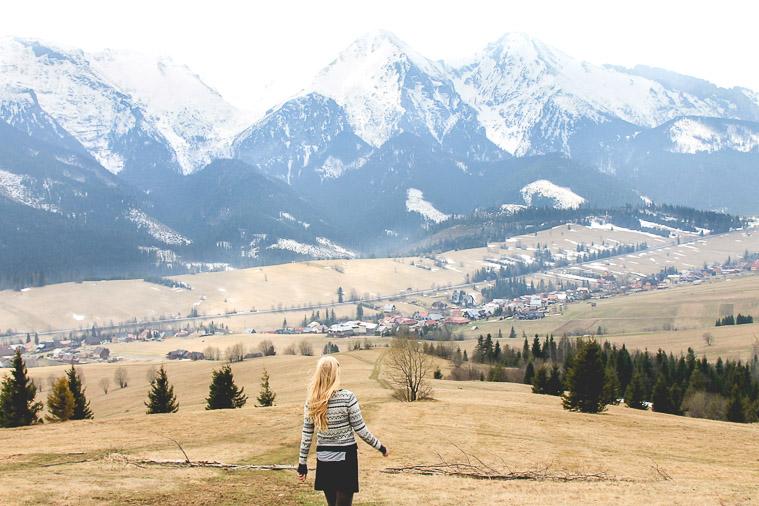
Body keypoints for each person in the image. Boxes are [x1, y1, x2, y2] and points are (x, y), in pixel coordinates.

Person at [298, 355, 388, 506]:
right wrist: (381, 447)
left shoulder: (311, 401)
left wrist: (302, 463)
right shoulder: (347, 397)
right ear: (335, 374)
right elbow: (361, 430)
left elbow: (307, 435)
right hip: (346, 458)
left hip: (324, 458)